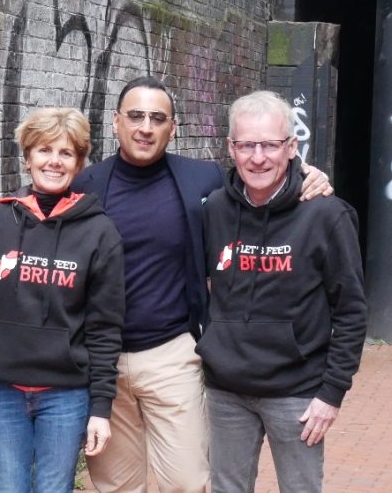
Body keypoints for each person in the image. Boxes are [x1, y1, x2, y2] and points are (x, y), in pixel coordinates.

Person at [75, 77, 333, 493]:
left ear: (172, 127)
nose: (145, 127)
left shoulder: (203, 179)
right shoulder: (85, 185)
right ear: (116, 121)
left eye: (157, 118)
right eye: (135, 116)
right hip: (99, 360)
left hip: (172, 354)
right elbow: (37, 210)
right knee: (116, 487)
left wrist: (306, 173)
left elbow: (261, 177)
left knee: (187, 483)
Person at [197, 90, 367, 493]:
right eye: (246, 145)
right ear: (231, 148)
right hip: (225, 390)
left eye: (270, 145)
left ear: (291, 147)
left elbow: (352, 310)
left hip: (298, 394)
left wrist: (332, 393)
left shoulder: (326, 214)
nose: (258, 157)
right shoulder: (214, 210)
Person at [0, 108, 126, 492]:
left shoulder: (99, 232)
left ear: (79, 163)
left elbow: (105, 327)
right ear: (27, 157)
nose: (54, 161)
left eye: (66, 153)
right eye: (44, 150)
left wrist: (101, 408)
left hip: (65, 394)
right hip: (1, 390)